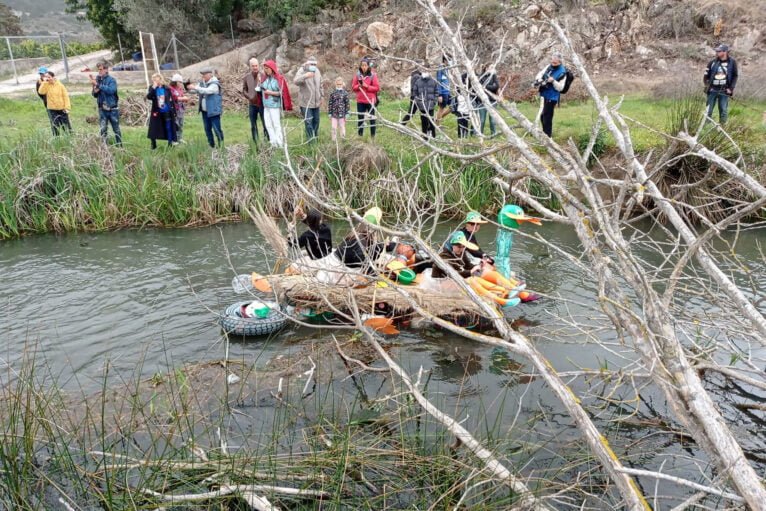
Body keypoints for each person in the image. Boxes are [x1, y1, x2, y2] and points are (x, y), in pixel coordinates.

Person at [431, 231, 520, 309]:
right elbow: (454, 274)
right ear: (451, 244)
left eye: (463, 246)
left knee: (478, 276)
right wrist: (471, 271)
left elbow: (468, 265)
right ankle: (502, 302)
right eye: (458, 246)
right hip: (441, 283)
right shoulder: (443, 257)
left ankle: (505, 290)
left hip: (455, 279)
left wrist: (479, 265)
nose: (461, 249)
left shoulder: (460, 252)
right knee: (471, 280)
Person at [188, 68, 224, 148]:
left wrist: (195, 88)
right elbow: (193, 91)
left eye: (205, 74)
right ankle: (211, 145)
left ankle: (221, 146)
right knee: (207, 130)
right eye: (202, 74)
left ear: (210, 75)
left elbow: (207, 91)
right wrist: (188, 87)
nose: (203, 76)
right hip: (205, 111)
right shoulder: (202, 83)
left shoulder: (215, 84)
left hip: (214, 111)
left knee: (217, 130)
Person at [89, 61, 122, 146]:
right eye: (98, 69)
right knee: (103, 129)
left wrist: (98, 85)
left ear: (106, 69)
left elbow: (111, 91)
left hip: (112, 109)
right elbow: (94, 94)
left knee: (116, 129)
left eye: (101, 69)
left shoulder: (112, 80)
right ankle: (104, 147)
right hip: (102, 109)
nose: (99, 71)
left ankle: (120, 146)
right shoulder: (97, 80)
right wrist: (95, 89)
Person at [703, 43, 738, 124]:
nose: (717, 52)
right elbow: (705, 77)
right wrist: (708, 86)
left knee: (723, 110)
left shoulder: (732, 62)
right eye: (717, 51)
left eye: (719, 51)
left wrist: (731, 88)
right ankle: (706, 127)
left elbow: (735, 76)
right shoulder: (712, 62)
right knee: (708, 110)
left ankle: (722, 128)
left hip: (724, 90)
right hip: (712, 90)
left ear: (725, 52)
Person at [534, 52, 567, 137]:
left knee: (547, 118)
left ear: (560, 62)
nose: (553, 64)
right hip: (545, 94)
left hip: (552, 97)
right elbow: (540, 74)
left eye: (555, 63)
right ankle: (545, 135)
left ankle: (548, 138)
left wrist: (553, 81)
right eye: (552, 62)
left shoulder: (563, 72)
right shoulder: (549, 66)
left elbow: (561, 88)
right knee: (542, 116)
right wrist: (539, 80)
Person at [294, 56, 322, 142]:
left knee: (316, 121)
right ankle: (310, 142)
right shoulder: (302, 70)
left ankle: (315, 139)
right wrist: (305, 76)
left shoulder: (317, 71)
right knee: (309, 122)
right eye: (311, 64)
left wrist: (322, 96)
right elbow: (295, 81)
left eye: (314, 64)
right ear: (307, 63)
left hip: (316, 102)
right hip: (306, 103)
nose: (313, 65)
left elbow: (321, 84)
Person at [351, 57, 380, 139]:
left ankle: (373, 137)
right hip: (360, 101)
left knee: (372, 119)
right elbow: (353, 87)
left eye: (365, 65)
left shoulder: (373, 75)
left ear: (368, 66)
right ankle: (360, 137)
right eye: (362, 65)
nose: (364, 67)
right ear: (360, 66)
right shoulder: (357, 75)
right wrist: (359, 85)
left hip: (370, 101)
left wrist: (367, 86)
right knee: (360, 119)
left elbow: (377, 88)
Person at [145, 73, 176, 149]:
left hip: (166, 110)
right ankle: (153, 144)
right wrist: (154, 87)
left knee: (168, 127)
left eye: (156, 79)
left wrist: (174, 110)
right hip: (156, 111)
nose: (154, 80)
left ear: (160, 79)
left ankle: (170, 143)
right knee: (153, 128)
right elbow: (149, 97)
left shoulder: (166, 88)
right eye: (153, 79)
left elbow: (171, 100)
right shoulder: (152, 88)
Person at [242, 57, 269, 143]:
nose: (255, 67)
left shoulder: (263, 76)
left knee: (265, 124)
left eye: (256, 65)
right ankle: (255, 142)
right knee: (253, 125)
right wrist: (249, 96)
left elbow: (267, 88)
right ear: (250, 66)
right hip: (252, 104)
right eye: (253, 66)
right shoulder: (246, 77)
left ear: (258, 65)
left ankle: (267, 140)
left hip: (262, 104)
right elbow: (244, 90)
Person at [37, 71, 71, 136]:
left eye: (49, 77)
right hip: (52, 109)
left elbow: (65, 96)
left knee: (66, 126)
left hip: (62, 109)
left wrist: (67, 107)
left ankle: (69, 138)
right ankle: (56, 140)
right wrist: (44, 82)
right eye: (46, 77)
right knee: (55, 126)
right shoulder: (46, 85)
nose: (47, 78)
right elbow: (41, 92)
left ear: (53, 77)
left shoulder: (60, 85)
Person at [261, 60, 285, 148]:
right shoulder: (265, 78)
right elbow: (263, 89)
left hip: (274, 105)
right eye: (264, 69)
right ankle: (273, 143)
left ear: (272, 68)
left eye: (267, 68)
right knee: (268, 124)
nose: (265, 70)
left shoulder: (278, 78)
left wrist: (270, 92)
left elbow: (281, 92)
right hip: (266, 105)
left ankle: (280, 143)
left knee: (276, 124)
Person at [412, 66, 439, 138]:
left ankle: (433, 136)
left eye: (426, 70)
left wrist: (434, 101)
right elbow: (414, 92)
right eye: (423, 70)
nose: (425, 72)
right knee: (423, 121)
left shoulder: (433, 81)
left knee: (431, 121)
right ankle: (424, 137)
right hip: (422, 106)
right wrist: (418, 101)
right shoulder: (418, 81)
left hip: (430, 105)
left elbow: (436, 92)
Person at [478, 65, 499, 136]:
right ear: (486, 68)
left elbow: (497, 86)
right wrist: (492, 86)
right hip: (482, 101)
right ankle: (480, 134)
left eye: (493, 67)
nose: (492, 69)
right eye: (491, 67)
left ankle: (493, 134)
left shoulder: (494, 75)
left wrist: (486, 87)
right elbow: (480, 87)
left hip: (492, 100)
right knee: (482, 120)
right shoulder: (481, 76)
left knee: (492, 120)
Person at [328, 76, 350, 141]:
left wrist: (347, 113)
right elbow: (330, 103)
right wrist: (329, 113)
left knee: (342, 127)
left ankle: (343, 138)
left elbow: (347, 104)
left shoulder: (345, 93)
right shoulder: (333, 93)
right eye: (338, 84)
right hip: (334, 114)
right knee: (333, 127)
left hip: (342, 114)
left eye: (340, 84)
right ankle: (334, 140)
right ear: (335, 84)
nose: (339, 85)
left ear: (342, 84)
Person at [169, 74, 190, 143]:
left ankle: (179, 138)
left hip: (181, 108)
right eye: (180, 82)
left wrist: (185, 98)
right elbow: (174, 98)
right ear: (175, 81)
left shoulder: (180, 88)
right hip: (174, 109)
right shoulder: (170, 88)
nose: (181, 83)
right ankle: (174, 140)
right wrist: (183, 98)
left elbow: (182, 96)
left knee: (181, 124)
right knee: (175, 124)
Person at [35, 66, 54, 133]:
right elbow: (39, 93)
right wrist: (45, 98)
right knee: (52, 119)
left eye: (43, 73)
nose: (42, 75)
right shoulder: (39, 82)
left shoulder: (51, 80)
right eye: (40, 74)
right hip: (48, 103)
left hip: (56, 102)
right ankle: (55, 134)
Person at [435, 56, 452, 123]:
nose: (451, 62)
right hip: (442, 92)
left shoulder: (447, 69)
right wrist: (439, 94)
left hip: (448, 92)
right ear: (445, 60)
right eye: (449, 60)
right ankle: (438, 124)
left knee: (452, 107)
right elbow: (438, 82)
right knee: (441, 108)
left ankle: (437, 119)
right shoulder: (440, 68)